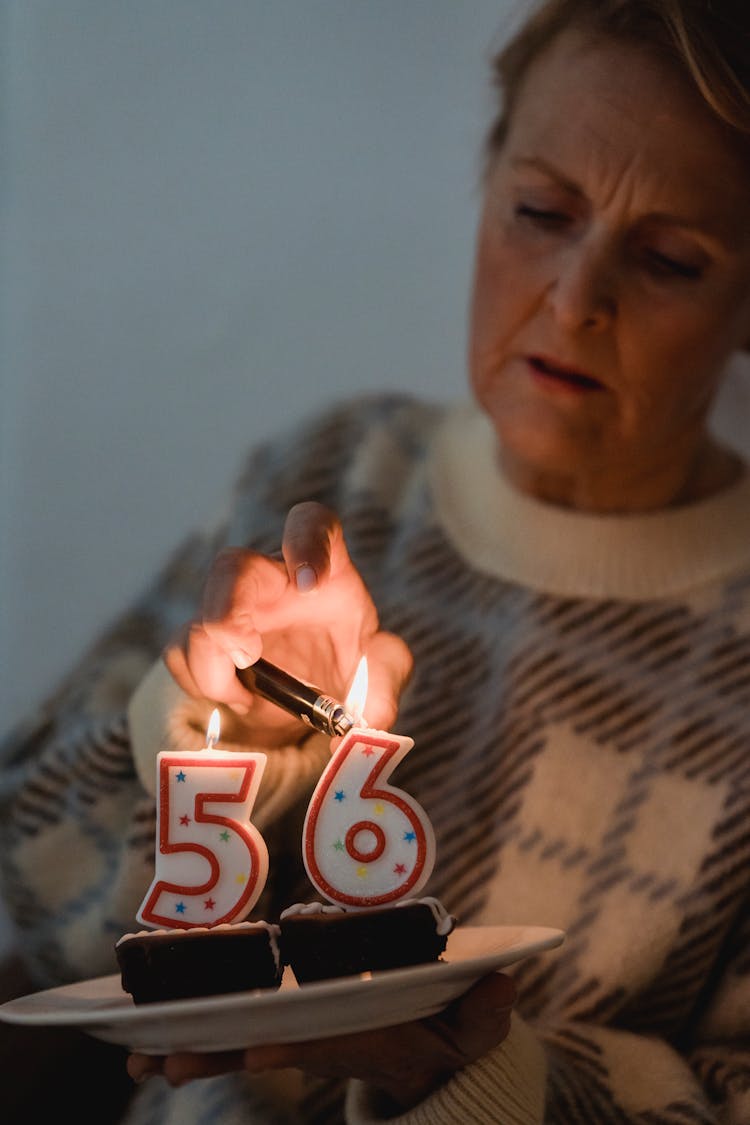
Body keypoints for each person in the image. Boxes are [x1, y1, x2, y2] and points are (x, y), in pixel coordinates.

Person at [2, 0, 750, 1121]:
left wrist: (479, 1075)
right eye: (542, 212)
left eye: (669, 260)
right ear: (488, 183)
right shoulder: (338, 476)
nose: (574, 298)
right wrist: (207, 738)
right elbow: (30, 875)